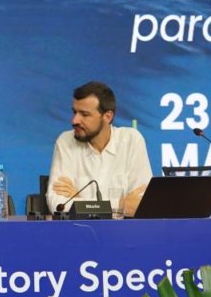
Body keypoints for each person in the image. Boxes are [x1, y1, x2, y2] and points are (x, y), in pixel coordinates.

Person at [46, 80, 152, 216]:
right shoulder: (65, 141)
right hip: (80, 232)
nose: (74, 121)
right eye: (74, 112)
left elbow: (141, 204)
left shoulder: (131, 140)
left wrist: (80, 201)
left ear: (107, 117)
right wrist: (119, 205)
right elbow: (58, 204)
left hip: (123, 233)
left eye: (84, 114)